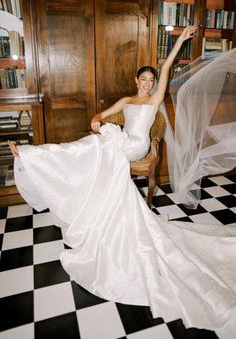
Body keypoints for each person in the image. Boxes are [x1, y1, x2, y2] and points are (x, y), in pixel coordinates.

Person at [7, 26, 236, 332]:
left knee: (104, 145)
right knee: (97, 144)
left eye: (151, 81)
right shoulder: (128, 99)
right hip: (120, 143)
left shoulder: (154, 100)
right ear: (135, 81)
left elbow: (167, 67)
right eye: (144, 80)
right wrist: (97, 120)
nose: (148, 84)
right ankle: (37, 157)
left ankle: (35, 155)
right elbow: (103, 114)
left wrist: (180, 41)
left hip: (136, 144)